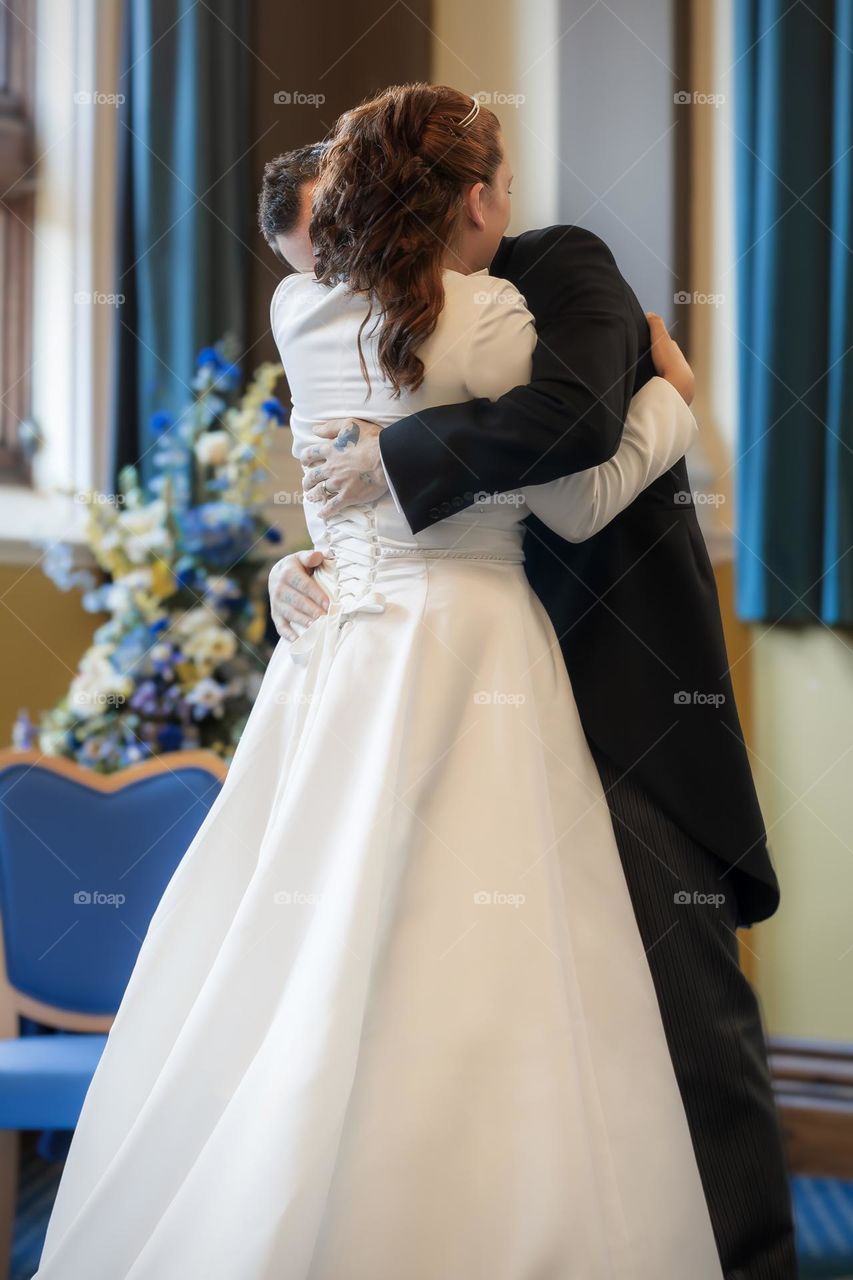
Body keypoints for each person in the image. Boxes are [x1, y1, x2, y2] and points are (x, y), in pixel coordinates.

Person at [33, 85, 759, 1280]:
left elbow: (337, 487)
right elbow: (578, 489)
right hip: (473, 645)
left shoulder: (295, 309)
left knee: (300, 944)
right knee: (500, 957)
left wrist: (306, 557)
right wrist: (671, 401)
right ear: (471, 197)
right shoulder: (490, 316)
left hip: (340, 658)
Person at [265, 106, 797, 1280]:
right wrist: (296, 562)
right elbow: (324, 483)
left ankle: (750, 1259)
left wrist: (402, 460)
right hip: (430, 695)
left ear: (461, 197)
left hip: (614, 697)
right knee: (437, 1002)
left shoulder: (557, 269)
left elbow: (571, 431)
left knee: (687, 1010)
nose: (330, 268)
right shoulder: (359, 317)